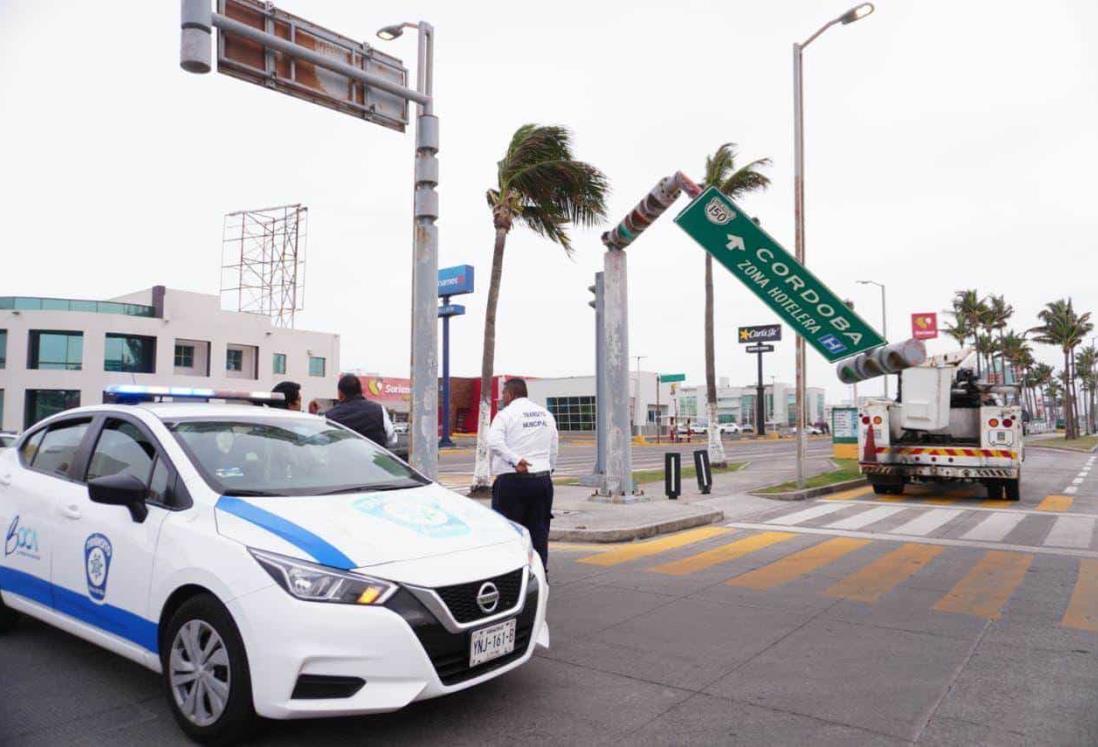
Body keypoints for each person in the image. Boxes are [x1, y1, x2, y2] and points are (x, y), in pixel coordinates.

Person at [487, 378, 558, 572]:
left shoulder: (505, 415)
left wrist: (515, 460)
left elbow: (493, 441)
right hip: (542, 481)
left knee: (510, 533)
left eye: (503, 394)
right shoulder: (546, 415)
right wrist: (548, 470)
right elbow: (554, 448)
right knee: (539, 532)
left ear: (509, 394)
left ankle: (513, 576)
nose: (502, 398)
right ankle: (540, 574)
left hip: (512, 483)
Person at [325, 374, 396, 449]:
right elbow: (392, 439)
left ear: (340, 393)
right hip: (372, 459)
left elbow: (324, 441)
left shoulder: (330, 415)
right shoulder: (379, 410)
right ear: (360, 390)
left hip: (341, 459)